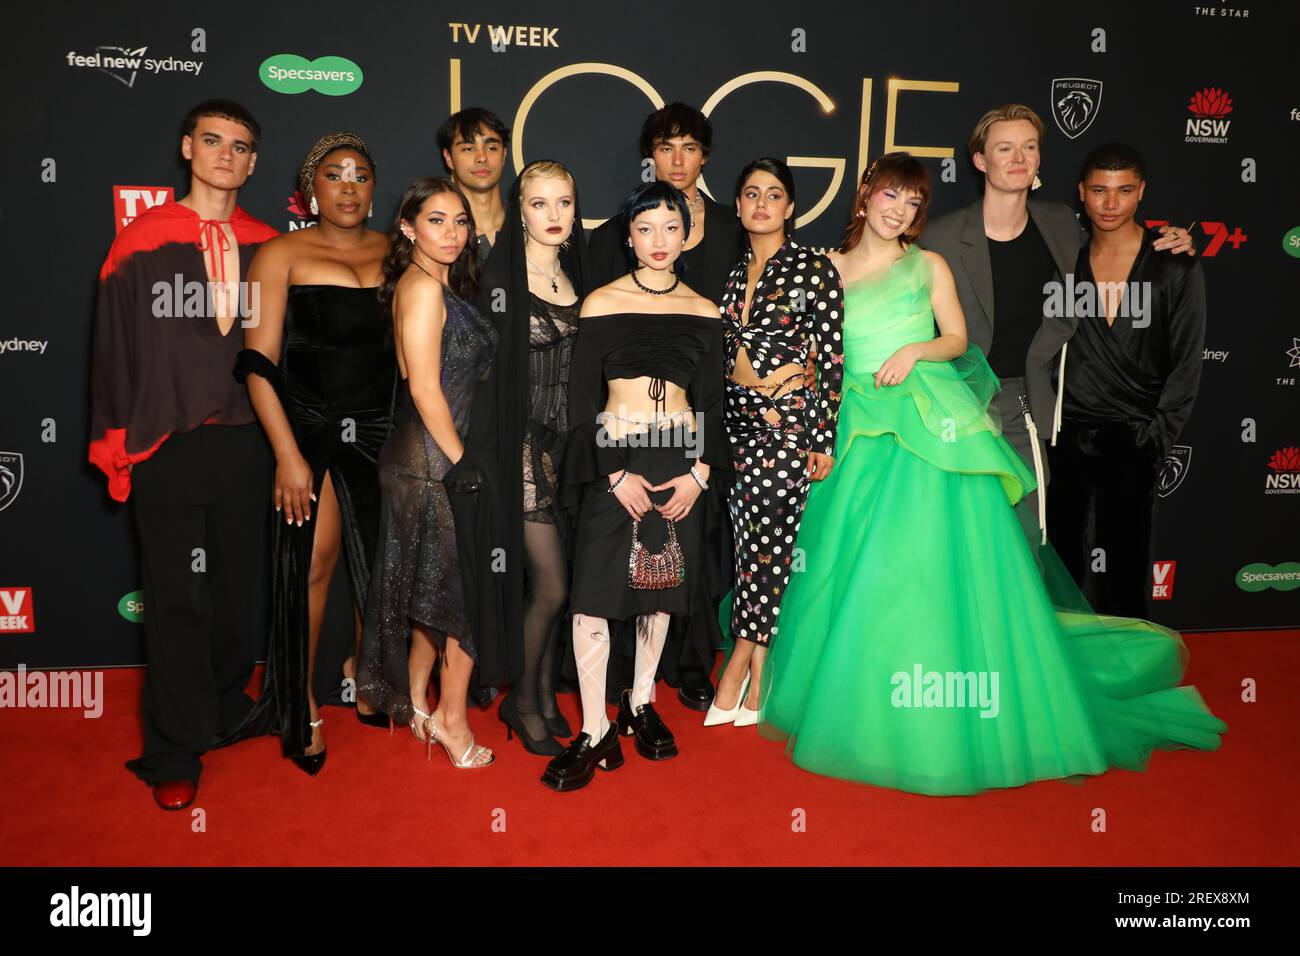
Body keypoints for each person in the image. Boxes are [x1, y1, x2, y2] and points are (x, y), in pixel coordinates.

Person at [758, 153, 1225, 796]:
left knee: (927, 567)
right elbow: (806, 347)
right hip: (853, 420)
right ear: (865, 196)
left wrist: (914, 350)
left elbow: (956, 340)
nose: (900, 211)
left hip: (927, 418)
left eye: (913, 203)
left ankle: (939, 697)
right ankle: (856, 687)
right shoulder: (823, 270)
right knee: (850, 566)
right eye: (891, 196)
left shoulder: (929, 266)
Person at [88, 99, 278, 810]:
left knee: (236, 589)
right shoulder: (140, 240)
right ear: (187, 148)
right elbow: (112, 349)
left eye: (241, 145)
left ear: (254, 161)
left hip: (248, 441)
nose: (227, 153)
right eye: (214, 140)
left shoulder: (269, 242)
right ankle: (172, 745)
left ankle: (225, 704)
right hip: (165, 443)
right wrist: (114, 442)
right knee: (174, 595)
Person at [923, 104, 1195, 543]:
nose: (1019, 158)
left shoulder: (1062, 226)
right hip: (956, 403)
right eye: (1005, 148)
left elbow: (1117, 238)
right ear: (979, 160)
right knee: (956, 540)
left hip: (1025, 407)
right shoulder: (939, 236)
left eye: (1029, 147)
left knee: (1027, 542)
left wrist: (1173, 240)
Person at [541, 181, 728, 791]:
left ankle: (640, 703)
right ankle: (594, 728)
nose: (658, 240)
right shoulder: (600, 302)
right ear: (627, 236)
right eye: (645, 228)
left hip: (679, 456)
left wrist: (700, 474)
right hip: (615, 454)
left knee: (660, 590)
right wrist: (613, 470)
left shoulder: (704, 309)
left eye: (670, 227)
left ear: (687, 234)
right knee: (594, 597)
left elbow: (712, 403)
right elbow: (581, 400)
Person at [222, 132, 395, 775]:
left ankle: (371, 681)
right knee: (315, 563)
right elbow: (257, 365)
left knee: (380, 565)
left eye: (360, 174)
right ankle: (302, 708)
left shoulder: (398, 253)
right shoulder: (279, 253)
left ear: (374, 188)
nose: (348, 186)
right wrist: (289, 457)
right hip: (311, 431)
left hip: (383, 432)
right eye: (333, 176)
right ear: (310, 191)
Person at [586, 102, 743, 710]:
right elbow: (595, 361)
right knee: (618, 560)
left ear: (705, 157)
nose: (677, 160)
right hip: (625, 432)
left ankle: (689, 665)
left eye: (690, 148)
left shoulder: (731, 229)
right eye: (666, 147)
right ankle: (615, 692)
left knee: (694, 549)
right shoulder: (618, 235)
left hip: (702, 417)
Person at [356, 177, 498, 769]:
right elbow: (422, 387)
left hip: (430, 459)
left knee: (430, 592)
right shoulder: (420, 290)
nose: (452, 232)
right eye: (436, 220)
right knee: (464, 599)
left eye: (460, 221)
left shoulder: (439, 284)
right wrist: (462, 463)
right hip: (430, 463)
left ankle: (417, 704)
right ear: (409, 227)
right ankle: (452, 722)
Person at [708, 158, 843, 728]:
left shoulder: (814, 268)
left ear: (791, 207)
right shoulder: (734, 272)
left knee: (771, 541)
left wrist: (823, 436)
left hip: (787, 421)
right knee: (750, 542)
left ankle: (741, 659)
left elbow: (833, 356)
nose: (761, 204)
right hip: (735, 422)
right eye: (750, 194)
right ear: (738, 206)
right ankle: (762, 658)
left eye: (774, 195)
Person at [1048, 143, 1207, 618]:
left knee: (1127, 567)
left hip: (1133, 438)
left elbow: (1187, 362)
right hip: (1065, 433)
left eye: (1123, 191)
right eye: (1099, 190)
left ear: (1142, 192)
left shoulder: (1174, 264)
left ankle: (1127, 672)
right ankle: (1062, 669)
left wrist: (1155, 438)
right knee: (1059, 565)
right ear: (1082, 193)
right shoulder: (1062, 259)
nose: (1111, 203)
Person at [475, 160, 589, 756]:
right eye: (539, 203)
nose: (553, 216)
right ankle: (520, 704)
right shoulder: (501, 274)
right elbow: (478, 375)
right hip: (521, 448)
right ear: (519, 209)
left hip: (570, 450)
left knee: (555, 589)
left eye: (563, 203)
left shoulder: (578, 273)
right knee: (550, 588)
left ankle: (543, 694)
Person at [437, 107, 511, 266]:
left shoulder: (531, 228)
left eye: (491, 148)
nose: (482, 157)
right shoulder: (437, 239)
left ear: (504, 155)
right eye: (468, 149)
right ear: (449, 158)